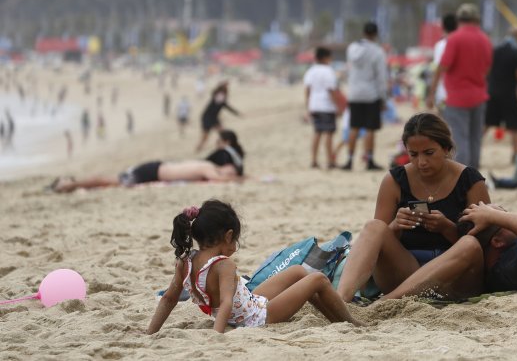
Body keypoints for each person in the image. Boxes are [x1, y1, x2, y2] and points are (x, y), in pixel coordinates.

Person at [336, 113, 491, 302]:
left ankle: (385, 302)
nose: (421, 162)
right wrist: (396, 226)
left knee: (469, 244)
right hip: (406, 272)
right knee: (374, 226)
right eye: (413, 155)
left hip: (455, 277)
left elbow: (485, 245)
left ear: (446, 148)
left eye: (429, 153)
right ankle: (341, 300)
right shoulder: (395, 180)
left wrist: (446, 227)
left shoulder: (470, 180)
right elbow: (377, 242)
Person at [148, 200, 359, 334]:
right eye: (235, 240)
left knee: (298, 272)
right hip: (258, 318)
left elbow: (168, 298)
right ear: (228, 235)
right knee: (318, 279)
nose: (235, 247)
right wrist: (216, 335)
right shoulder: (224, 265)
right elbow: (227, 302)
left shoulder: (184, 262)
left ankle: (334, 319)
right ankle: (351, 323)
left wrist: (150, 332)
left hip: (248, 304)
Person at [50, 130, 246, 193]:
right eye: (231, 170)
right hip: (152, 171)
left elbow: (224, 176)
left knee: (111, 180)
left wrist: (240, 176)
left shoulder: (211, 167)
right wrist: (239, 179)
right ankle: (69, 184)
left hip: (155, 169)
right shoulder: (208, 167)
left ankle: (71, 183)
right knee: (109, 180)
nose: (231, 172)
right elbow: (220, 179)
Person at [427, 3, 493, 169]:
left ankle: (462, 178)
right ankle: (474, 174)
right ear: (477, 19)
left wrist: (431, 93)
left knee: (460, 139)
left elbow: (443, 67)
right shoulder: (485, 39)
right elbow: (487, 67)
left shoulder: (454, 39)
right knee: (475, 139)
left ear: (459, 19)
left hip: (457, 97)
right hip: (479, 95)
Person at [342, 21, 389, 171]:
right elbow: (381, 77)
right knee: (370, 129)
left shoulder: (351, 48)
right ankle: (369, 160)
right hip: (371, 94)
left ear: (363, 32)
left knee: (354, 127)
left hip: (354, 93)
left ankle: (349, 160)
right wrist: (383, 98)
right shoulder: (378, 51)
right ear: (375, 35)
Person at [484, 28, 517, 162]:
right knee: (516, 125)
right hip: (509, 93)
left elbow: (486, 70)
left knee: (486, 123)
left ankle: (473, 148)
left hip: (492, 92)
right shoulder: (516, 53)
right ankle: (515, 153)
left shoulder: (494, 51)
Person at [303, 46, 342, 169]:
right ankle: (330, 160)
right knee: (329, 133)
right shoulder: (328, 71)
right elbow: (332, 90)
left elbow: (307, 90)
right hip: (327, 106)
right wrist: (338, 106)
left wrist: (308, 106)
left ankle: (314, 160)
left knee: (317, 133)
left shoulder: (311, 71)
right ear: (326, 57)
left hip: (314, 105)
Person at [195, 82, 239, 152]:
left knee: (222, 133)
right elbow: (214, 92)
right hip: (207, 117)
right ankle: (198, 148)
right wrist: (221, 85)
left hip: (214, 118)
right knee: (205, 136)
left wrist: (237, 113)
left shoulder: (222, 98)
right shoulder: (216, 95)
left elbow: (227, 107)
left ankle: (223, 146)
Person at [431, 13, 458, 114]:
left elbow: (438, 70)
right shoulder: (462, 43)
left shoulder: (440, 45)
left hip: (443, 93)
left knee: (443, 127)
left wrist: (431, 94)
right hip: (459, 94)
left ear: (443, 27)